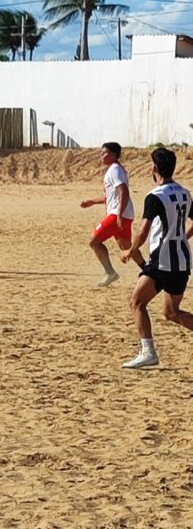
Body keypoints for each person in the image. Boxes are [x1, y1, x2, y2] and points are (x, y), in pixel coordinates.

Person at [121, 146, 193, 369]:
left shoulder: (155, 196)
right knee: (171, 312)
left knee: (137, 302)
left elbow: (142, 231)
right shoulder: (184, 192)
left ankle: (148, 352)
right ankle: (148, 352)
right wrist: (181, 237)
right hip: (182, 260)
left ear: (154, 168)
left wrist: (130, 251)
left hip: (162, 262)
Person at [80, 141, 134, 287]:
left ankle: (110, 273)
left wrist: (119, 216)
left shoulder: (115, 170)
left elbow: (124, 192)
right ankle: (149, 271)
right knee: (127, 247)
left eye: (105, 153)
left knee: (94, 241)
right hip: (123, 213)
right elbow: (112, 196)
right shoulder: (115, 169)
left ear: (114, 155)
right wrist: (93, 202)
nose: (101, 156)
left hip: (118, 213)